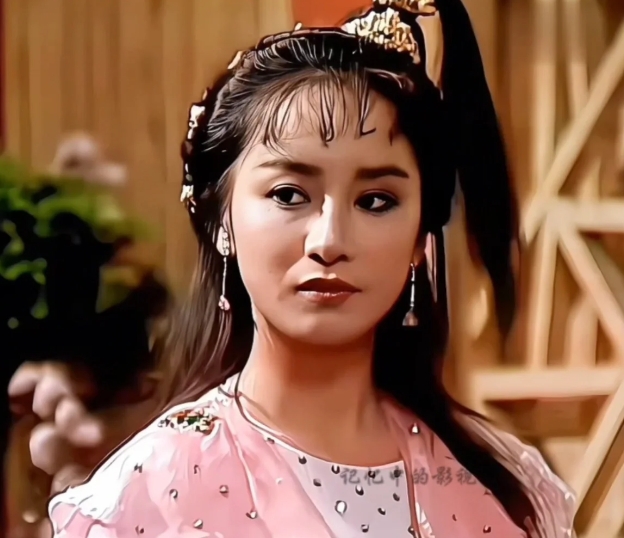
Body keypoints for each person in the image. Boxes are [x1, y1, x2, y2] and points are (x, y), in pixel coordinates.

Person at [12, 0, 577, 535]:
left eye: (376, 201)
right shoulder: (147, 495)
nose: (329, 240)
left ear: (419, 241)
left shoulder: (504, 488)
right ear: (222, 221)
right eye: (288, 195)